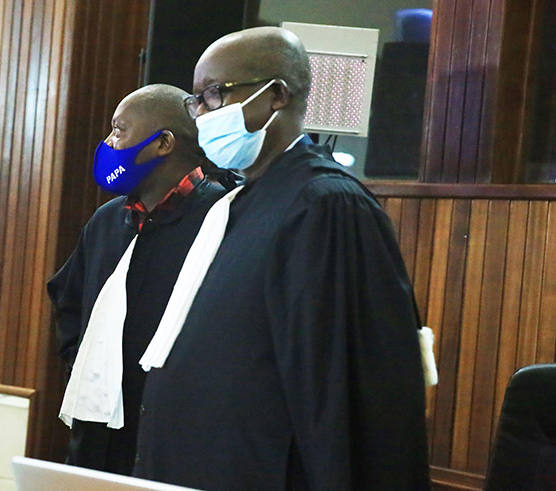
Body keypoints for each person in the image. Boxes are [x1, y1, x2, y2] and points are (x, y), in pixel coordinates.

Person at [132, 28, 431, 489]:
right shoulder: (244, 200)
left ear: (275, 96)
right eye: (196, 102)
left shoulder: (325, 205)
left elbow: (341, 393)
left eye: (215, 94)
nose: (203, 115)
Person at [47, 84, 236, 476]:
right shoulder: (107, 220)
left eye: (119, 130)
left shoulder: (223, 217)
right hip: (99, 436)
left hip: (179, 442)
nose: (108, 144)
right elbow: (68, 304)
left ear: (162, 142)